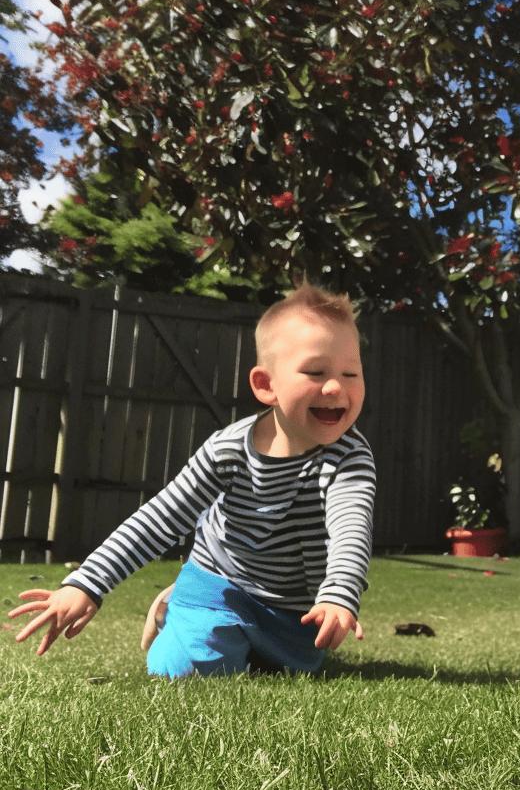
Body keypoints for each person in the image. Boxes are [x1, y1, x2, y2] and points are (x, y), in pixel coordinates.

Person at [9, 283, 376, 677]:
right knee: (187, 669)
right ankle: (187, 605)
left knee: (287, 670)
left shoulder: (350, 457)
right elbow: (161, 517)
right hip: (220, 585)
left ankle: (188, 608)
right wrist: (86, 585)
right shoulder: (228, 450)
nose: (336, 387)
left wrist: (338, 596)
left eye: (351, 372)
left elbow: (350, 529)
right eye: (315, 372)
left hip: (297, 611)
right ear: (266, 385)